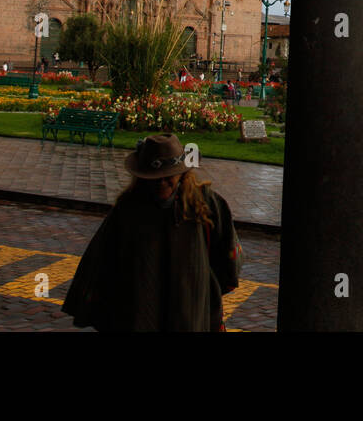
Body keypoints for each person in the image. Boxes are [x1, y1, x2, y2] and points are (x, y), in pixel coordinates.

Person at [62, 134, 242, 331]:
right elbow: (101, 261)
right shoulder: (128, 209)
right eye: (155, 178)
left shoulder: (206, 205)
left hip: (190, 309)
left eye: (168, 176)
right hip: (139, 308)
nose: (162, 183)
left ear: (181, 173)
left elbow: (229, 257)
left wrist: (205, 290)